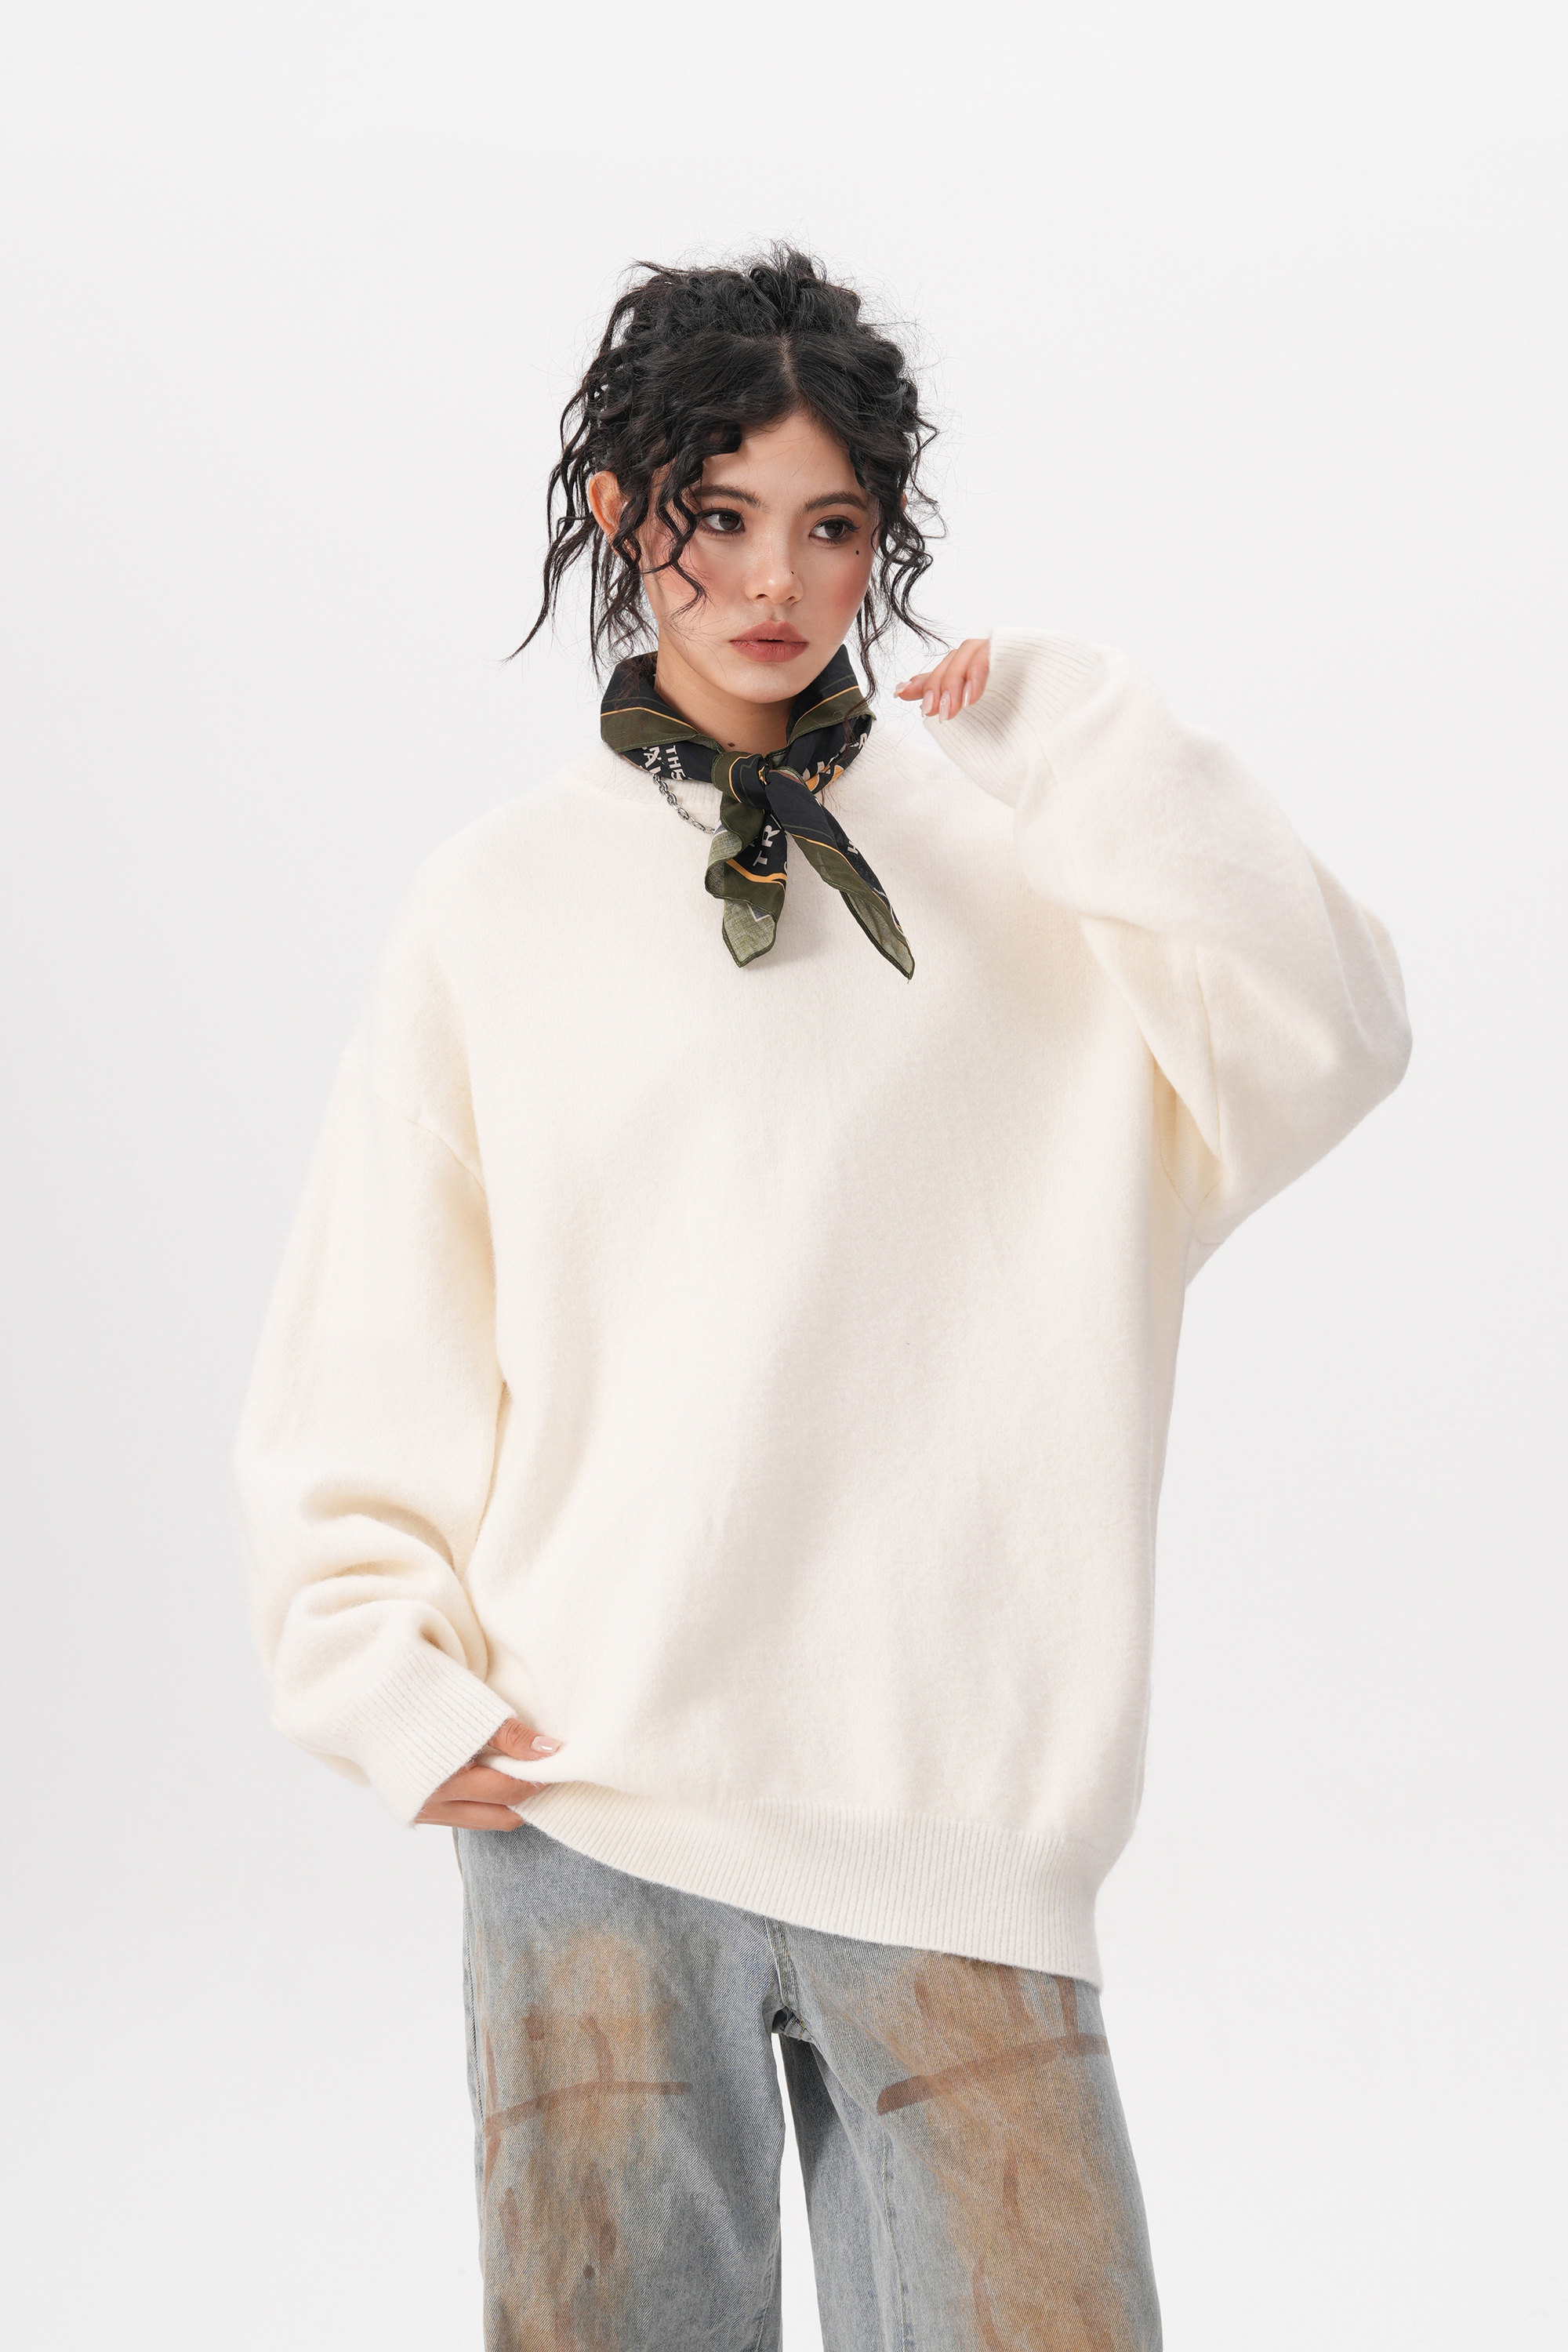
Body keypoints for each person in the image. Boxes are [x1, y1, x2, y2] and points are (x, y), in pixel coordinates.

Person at [234, 246, 1412, 2350]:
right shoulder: (495, 902)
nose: (778, 582)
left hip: (955, 1804)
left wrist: (1098, 750)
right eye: (720, 517)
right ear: (625, 513)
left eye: (833, 525)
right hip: (590, 1799)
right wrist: (375, 1668)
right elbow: (377, 1310)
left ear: (884, 538)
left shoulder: (1022, 853)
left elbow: (1330, 1034)